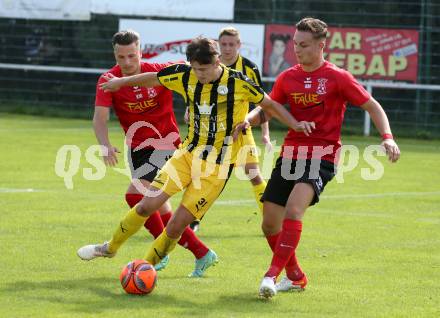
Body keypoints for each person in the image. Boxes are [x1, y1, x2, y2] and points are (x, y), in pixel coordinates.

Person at [77, 36, 315, 278]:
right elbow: (153, 78)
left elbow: (270, 104)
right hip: (186, 155)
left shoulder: (238, 82)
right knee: (146, 203)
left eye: (203, 69)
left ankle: (144, 268)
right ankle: (110, 248)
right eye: (195, 69)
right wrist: (122, 82)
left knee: (176, 225)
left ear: (216, 62)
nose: (199, 74)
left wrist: (293, 124)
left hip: (216, 169)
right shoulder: (185, 74)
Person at [248, 17, 401, 298]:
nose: (297, 49)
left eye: (303, 45)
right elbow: (268, 110)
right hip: (290, 154)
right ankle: (295, 276)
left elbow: (373, 106)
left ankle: (271, 275)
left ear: (321, 45)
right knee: (270, 222)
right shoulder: (288, 77)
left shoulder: (338, 77)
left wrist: (387, 137)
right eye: (295, 44)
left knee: (294, 209)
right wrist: (249, 120)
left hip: (323, 156)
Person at [84, 30, 218, 277]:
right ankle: (201, 253)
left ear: (140, 51)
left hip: (167, 145)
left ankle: (159, 253)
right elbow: (99, 118)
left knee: (135, 196)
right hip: (137, 151)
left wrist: (192, 106)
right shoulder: (108, 79)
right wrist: (104, 144)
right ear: (114, 54)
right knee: (162, 212)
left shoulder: (159, 70)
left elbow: (196, 72)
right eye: (121, 56)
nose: (126, 62)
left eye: (131, 56)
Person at [188, 26, 272, 232]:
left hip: (240, 132)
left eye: (231, 44)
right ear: (217, 46)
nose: (227, 48)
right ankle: (194, 219)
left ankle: (270, 220)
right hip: (210, 135)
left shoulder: (248, 68)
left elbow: (263, 103)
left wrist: (266, 133)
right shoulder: (205, 65)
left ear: (239, 45)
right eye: (223, 44)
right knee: (207, 177)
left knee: (254, 175)